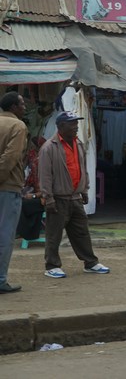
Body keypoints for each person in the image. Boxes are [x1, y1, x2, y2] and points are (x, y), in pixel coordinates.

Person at [39, 111, 110, 278]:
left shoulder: (78, 144)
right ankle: (52, 265)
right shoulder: (49, 147)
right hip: (57, 198)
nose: (76, 127)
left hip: (75, 197)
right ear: (61, 126)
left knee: (81, 232)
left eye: (76, 124)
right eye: (72, 124)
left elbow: (82, 169)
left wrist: (84, 189)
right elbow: (45, 175)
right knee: (54, 234)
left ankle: (90, 262)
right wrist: (48, 198)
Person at [0, 92, 28, 293]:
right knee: (5, 234)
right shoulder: (18, 126)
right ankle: (0, 280)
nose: (25, 108)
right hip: (7, 186)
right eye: (22, 104)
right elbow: (11, 157)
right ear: (13, 107)